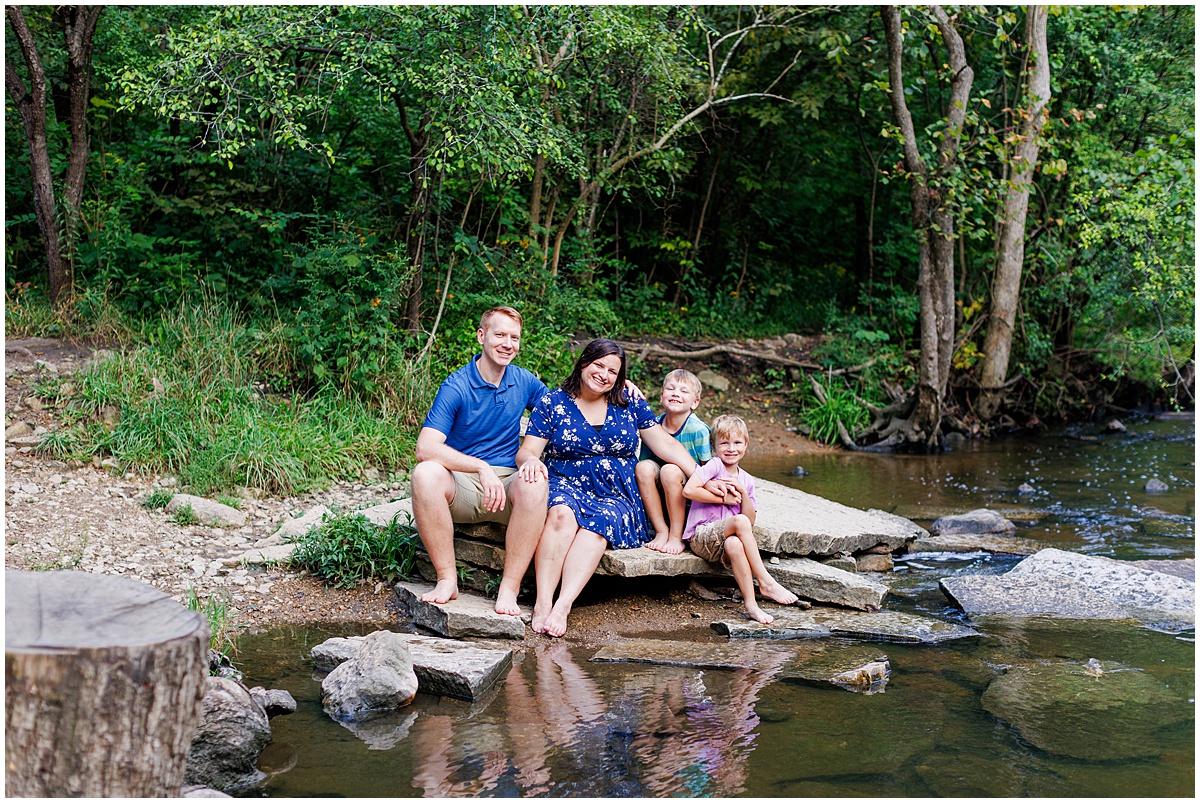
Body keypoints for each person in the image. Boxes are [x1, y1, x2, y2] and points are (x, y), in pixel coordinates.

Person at [515, 339, 699, 637]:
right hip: (566, 481)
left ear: (620, 375)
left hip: (617, 491)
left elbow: (662, 442)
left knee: (599, 523)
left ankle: (563, 605)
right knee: (561, 515)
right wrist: (530, 462)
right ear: (584, 362)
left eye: (612, 370)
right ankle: (542, 602)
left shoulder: (629, 400)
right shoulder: (553, 402)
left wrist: (700, 475)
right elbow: (527, 451)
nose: (604, 374)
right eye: (598, 365)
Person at [409, 306, 549, 616]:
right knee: (425, 474)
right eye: (499, 335)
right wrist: (480, 467)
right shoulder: (456, 385)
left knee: (536, 481)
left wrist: (616, 388)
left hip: (509, 487)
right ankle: (447, 580)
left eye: (514, 337)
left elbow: (561, 408)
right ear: (481, 336)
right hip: (464, 484)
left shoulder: (523, 381)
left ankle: (509, 591)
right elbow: (425, 446)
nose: (507, 344)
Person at [682, 414, 798, 624]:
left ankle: (751, 605)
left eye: (737, 442)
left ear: (745, 445)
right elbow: (689, 490)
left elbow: (750, 519)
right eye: (724, 443)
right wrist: (724, 499)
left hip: (725, 544)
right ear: (714, 446)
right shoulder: (714, 466)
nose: (731, 448)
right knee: (740, 522)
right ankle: (765, 581)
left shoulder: (747, 479)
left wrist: (743, 493)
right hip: (702, 536)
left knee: (736, 542)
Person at [635, 369, 712, 555]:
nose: (676, 393)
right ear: (662, 397)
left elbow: (708, 469)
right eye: (671, 389)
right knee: (642, 467)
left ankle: (676, 536)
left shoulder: (699, 430)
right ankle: (661, 530)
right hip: (659, 488)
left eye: (684, 391)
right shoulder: (653, 425)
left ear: (695, 402)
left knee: (670, 470)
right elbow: (645, 462)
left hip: (688, 487)